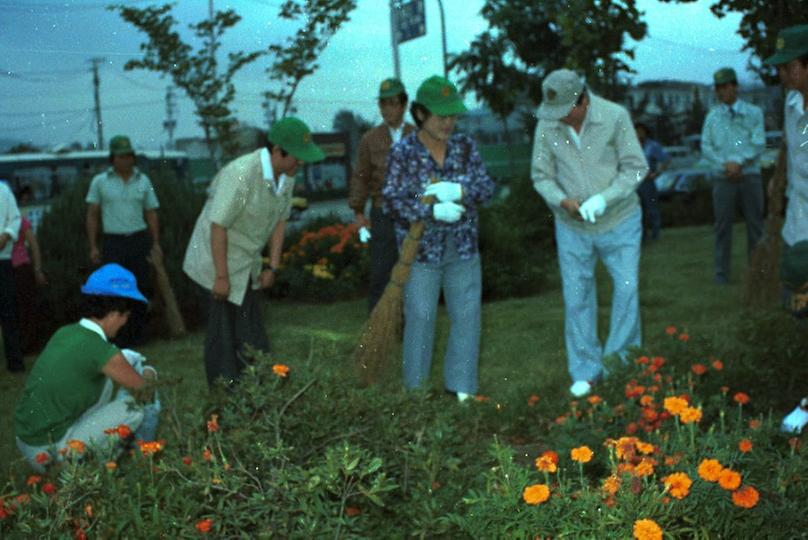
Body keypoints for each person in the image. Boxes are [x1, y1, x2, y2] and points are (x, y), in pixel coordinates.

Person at [531, 69, 648, 398]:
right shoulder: (547, 125)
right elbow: (541, 176)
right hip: (571, 226)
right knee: (577, 297)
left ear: (582, 100)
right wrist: (562, 201)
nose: (561, 120)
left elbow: (635, 167)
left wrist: (604, 197)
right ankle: (585, 371)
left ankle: (621, 365)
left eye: (566, 111)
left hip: (620, 220)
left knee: (627, 289)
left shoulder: (615, 116)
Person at [183, 117, 325, 387]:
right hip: (212, 264)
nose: (302, 163)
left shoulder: (287, 177)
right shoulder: (241, 174)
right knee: (221, 341)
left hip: (244, 264)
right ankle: (225, 405)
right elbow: (218, 226)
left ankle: (258, 398)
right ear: (277, 151)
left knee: (252, 338)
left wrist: (272, 266)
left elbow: (280, 221)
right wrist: (221, 277)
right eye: (298, 156)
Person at [383, 75, 495, 402]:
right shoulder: (403, 151)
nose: (449, 122)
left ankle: (462, 390)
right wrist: (429, 207)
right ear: (421, 114)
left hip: (462, 247)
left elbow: (486, 187)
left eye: (453, 115)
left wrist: (459, 190)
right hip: (421, 252)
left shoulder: (465, 146)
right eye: (441, 115)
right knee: (420, 316)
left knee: (467, 315)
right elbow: (394, 198)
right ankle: (416, 393)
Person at [13, 263, 159, 472]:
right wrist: (149, 371)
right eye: (126, 315)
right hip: (51, 453)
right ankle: (139, 459)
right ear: (115, 313)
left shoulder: (66, 332)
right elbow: (146, 392)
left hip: (28, 442)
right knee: (135, 408)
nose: (126, 322)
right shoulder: (102, 352)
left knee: (107, 378)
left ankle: (101, 455)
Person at [762, 24, 808, 434]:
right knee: (801, 313)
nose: (781, 74)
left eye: (787, 66)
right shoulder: (794, 104)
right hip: (799, 225)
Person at [86, 135, 161, 346]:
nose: (126, 160)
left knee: (140, 288)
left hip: (139, 240)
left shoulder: (144, 181)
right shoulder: (99, 182)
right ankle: (118, 338)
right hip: (113, 242)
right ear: (113, 158)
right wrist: (93, 246)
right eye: (121, 156)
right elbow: (92, 214)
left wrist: (155, 243)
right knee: (115, 290)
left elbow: (152, 213)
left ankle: (139, 337)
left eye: (129, 155)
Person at [348, 78, 416, 311]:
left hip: (412, 212)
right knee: (381, 269)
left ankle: (411, 320)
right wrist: (358, 213)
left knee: (414, 268)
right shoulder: (370, 139)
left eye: (393, 103)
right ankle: (377, 325)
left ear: (404, 105)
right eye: (383, 104)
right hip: (382, 211)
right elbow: (360, 177)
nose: (387, 109)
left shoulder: (417, 136)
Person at [700, 67, 765, 285]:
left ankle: (757, 271)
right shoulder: (712, 117)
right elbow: (706, 147)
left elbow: (759, 142)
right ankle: (721, 274)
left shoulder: (754, 112)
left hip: (750, 174)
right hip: (723, 177)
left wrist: (739, 162)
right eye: (718, 88)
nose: (722, 92)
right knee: (722, 227)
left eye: (726, 86)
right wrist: (725, 165)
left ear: (735, 86)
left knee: (756, 225)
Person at [12, 185, 47, 354]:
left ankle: (18, 344)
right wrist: (37, 269)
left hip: (9, 268)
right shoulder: (20, 220)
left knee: (15, 309)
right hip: (23, 267)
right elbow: (34, 245)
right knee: (27, 308)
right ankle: (29, 345)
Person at [0, 180, 24, 372]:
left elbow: (15, 218)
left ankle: (15, 363)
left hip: (3, 258)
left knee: (9, 313)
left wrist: (6, 235)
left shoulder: (3, 190)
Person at [634, 122, 670, 242]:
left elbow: (665, 160)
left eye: (641, 131)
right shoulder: (631, 146)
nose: (639, 134)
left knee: (651, 209)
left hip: (647, 182)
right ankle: (642, 235)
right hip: (633, 183)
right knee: (637, 211)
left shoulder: (653, 146)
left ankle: (655, 234)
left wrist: (656, 174)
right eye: (636, 131)